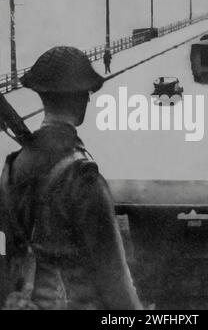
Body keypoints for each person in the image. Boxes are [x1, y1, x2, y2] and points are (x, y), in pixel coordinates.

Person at [0, 46, 143, 310]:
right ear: (81, 100)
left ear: (42, 96)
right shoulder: (83, 178)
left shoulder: (11, 168)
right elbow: (116, 285)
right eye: (87, 94)